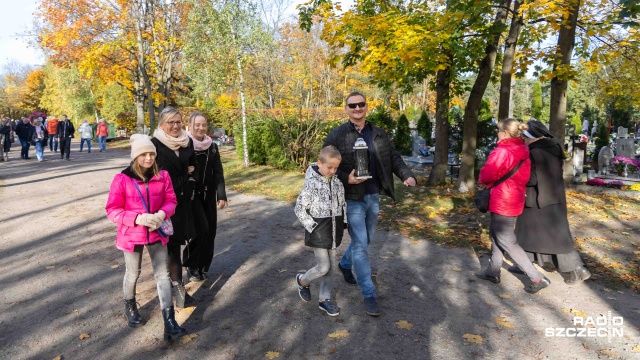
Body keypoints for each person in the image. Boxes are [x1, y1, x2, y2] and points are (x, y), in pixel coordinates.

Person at [323, 92, 416, 316]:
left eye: (361, 104)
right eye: (352, 105)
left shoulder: (378, 133)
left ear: (366, 107)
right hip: (352, 197)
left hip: (373, 194)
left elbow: (393, 156)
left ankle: (345, 265)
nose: (357, 108)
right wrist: (347, 178)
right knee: (362, 246)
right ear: (345, 109)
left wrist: (406, 175)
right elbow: (325, 166)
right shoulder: (337, 135)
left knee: (365, 240)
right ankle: (369, 293)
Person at [105, 134, 187, 341]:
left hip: (157, 233)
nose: (149, 158)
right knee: (133, 273)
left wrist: (162, 214)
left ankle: (169, 320)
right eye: (144, 154)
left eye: (152, 154)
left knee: (162, 274)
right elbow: (112, 210)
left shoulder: (163, 176)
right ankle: (130, 305)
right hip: (131, 235)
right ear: (135, 157)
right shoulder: (122, 179)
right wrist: (137, 218)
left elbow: (171, 200)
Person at [510, 120, 591, 284]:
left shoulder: (534, 153)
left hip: (539, 200)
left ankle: (575, 269)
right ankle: (524, 263)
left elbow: (531, 179)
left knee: (553, 237)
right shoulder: (552, 148)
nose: (523, 140)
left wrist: (515, 173)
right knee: (527, 232)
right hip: (552, 198)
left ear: (532, 137)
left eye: (524, 137)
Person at [475, 118, 551, 294]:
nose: (497, 133)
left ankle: (537, 278)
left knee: (506, 239)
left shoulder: (502, 151)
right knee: (495, 234)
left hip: (502, 199)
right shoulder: (523, 149)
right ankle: (493, 271)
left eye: (498, 130)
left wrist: (483, 178)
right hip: (514, 197)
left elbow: (486, 175)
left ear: (505, 133)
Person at [151, 107, 198, 308]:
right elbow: (145, 172)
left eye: (178, 121)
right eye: (171, 122)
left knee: (177, 243)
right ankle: (176, 285)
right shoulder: (154, 144)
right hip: (163, 202)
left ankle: (176, 284)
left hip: (184, 201)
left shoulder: (188, 142)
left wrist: (191, 178)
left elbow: (194, 167)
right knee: (168, 246)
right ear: (162, 124)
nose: (175, 125)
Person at [294, 146, 347, 316]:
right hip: (318, 232)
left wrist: (343, 223)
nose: (333, 171)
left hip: (333, 232)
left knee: (331, 268)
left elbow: (342, 204)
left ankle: (325, 300)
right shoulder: (311, 184)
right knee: (323, 267)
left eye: (336, 168)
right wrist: (312, 226)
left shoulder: (338, 183)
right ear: (319, 163)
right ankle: (303, 280)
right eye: (329, 167)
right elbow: (300, 208)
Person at [184, 112, 227, 282]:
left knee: (211, 231)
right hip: (192, 195)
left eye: (203, 125)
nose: (201, 128)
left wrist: (221, 194)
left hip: (208, 195)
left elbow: (218, 171)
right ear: (190, 125)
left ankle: (203, 266)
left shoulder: (212, 147)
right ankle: (191, 264)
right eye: (197, 125)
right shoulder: (184, 145)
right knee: (201, 230)